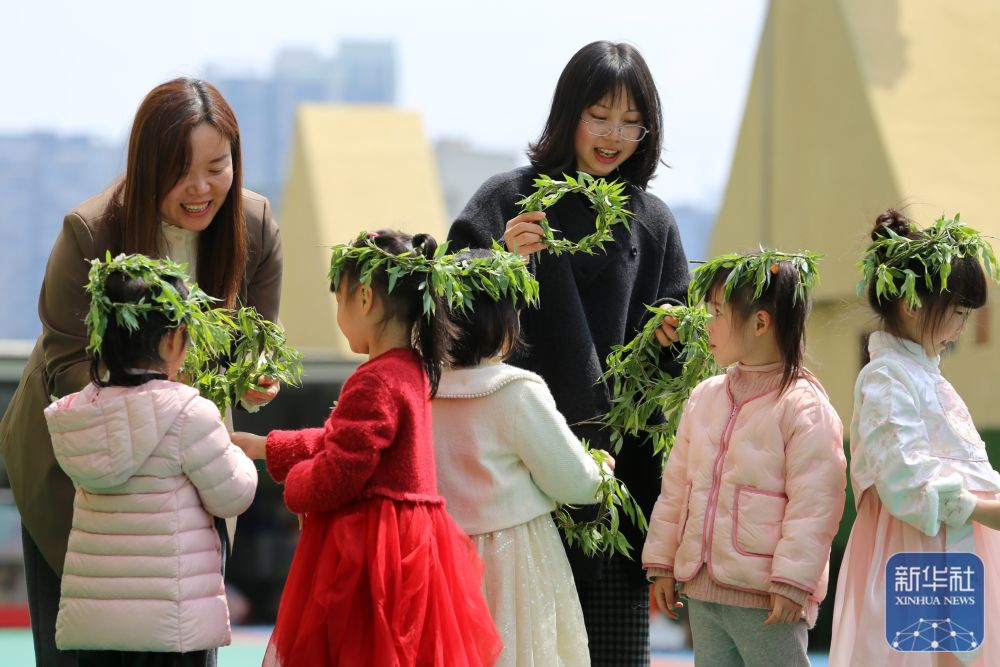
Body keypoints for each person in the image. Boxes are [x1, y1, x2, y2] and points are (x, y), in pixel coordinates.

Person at [0, 76, 283, 667]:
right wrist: (161, 402)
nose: (201, 188)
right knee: (84, 643)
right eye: (180, 171)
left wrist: (253, 375)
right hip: (78, 474)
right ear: (145, 166)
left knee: (182, 637)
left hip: (184, 477)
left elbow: (255, 340)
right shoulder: (89, 231)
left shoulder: (255, 226)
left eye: (217, 167)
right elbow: (68, 363)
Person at [448, 40, 689, 664]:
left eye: (631, 122)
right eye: (599, 116)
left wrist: (673, 338)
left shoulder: (653, 222)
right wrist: (502, 261)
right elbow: (446, 314)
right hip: (512, 492)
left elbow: (680, 359)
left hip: (617, 489)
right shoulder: (508, 200)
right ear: (567, 115)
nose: (614, 135)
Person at [231, 231, 502, 667]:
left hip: (373, 551)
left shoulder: (374, 379)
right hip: (412, 546)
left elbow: (340, 471)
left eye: (339, 299)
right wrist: (267, 447)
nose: (339, 313)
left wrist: (297, 488)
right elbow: (345, 440)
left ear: (364, 298)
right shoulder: (412, 369)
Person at [44, 255, 258, 666]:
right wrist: (238, 455)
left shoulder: (78, 415)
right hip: (172, 628)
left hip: (97, 628)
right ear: (173, 341)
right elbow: (232, 496)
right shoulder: (188, 413)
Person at [643, 250, 846, 667]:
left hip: (767, 597)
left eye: (719, 312)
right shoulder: (705, 397)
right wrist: (662, 562)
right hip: (702, 590)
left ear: (760, 323)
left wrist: (793, 582)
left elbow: (815, 507)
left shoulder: (803, 407)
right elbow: (676, 488)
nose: (708, 323)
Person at [830, 210, 1000, 666]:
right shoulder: (886, 377)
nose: (961, 328)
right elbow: (904, 478)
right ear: (911, 303)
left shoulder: (922, 375)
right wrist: (984, 509)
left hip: (950, 551)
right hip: (916, 550)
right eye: (958, 313)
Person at [432, 248, 609, 665]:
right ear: (504, 324)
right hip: (513, 560)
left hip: (440, 557)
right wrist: (599, 471)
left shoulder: (424, 389)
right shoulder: (515, 391)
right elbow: (572, 480)